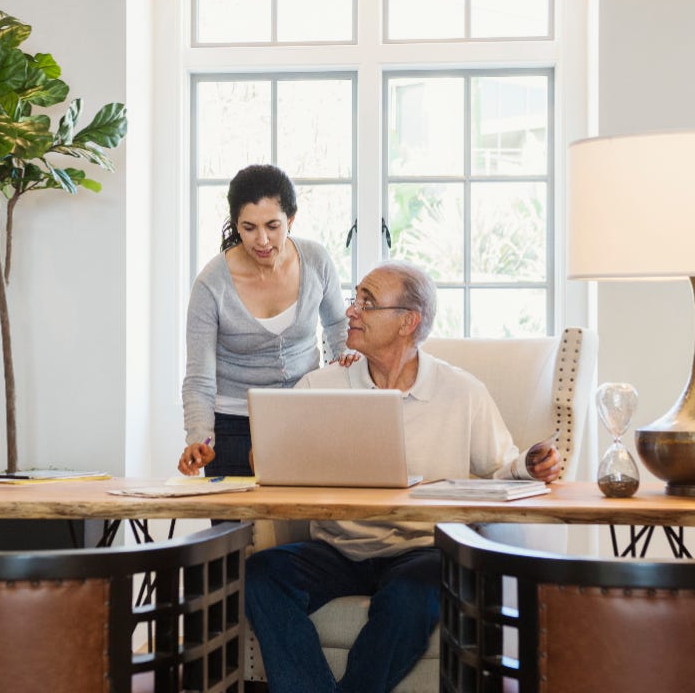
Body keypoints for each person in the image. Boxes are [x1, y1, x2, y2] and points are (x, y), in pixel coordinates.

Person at [243, 260, 561, 693]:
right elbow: (276, 465)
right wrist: (267, 453)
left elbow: (501, 466)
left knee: (412, 595)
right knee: (262, 573)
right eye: (356, 298)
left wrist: (531, 464)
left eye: (367, 302)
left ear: (407, 322)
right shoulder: (320, 386)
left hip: (421, 548)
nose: (351, 310)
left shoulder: (462, 391)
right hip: (339, 547)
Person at [179, 164, 357, 478]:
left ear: (291, 219)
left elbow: (337, 327)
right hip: (233, 423)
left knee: (301, 524)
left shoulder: (316, 260)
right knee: (234, 528)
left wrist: (341, 366)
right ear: (236, 223)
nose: (262, 240)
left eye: (273, 226)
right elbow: (199, 378)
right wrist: (198, 436)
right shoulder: (211, 284)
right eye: (248, 228)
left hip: (303, 416)